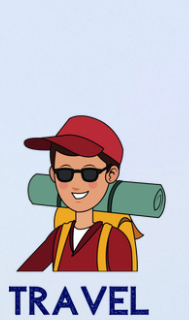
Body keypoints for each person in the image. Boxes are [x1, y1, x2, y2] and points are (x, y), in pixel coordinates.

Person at [18, 115, 141, 273]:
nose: (75, 184)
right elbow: (23, 277)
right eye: (65, 173)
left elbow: (129, 291)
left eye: (89, 173)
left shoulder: (114, 240)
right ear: (53, 175)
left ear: (111, 174)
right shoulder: (58, 237)